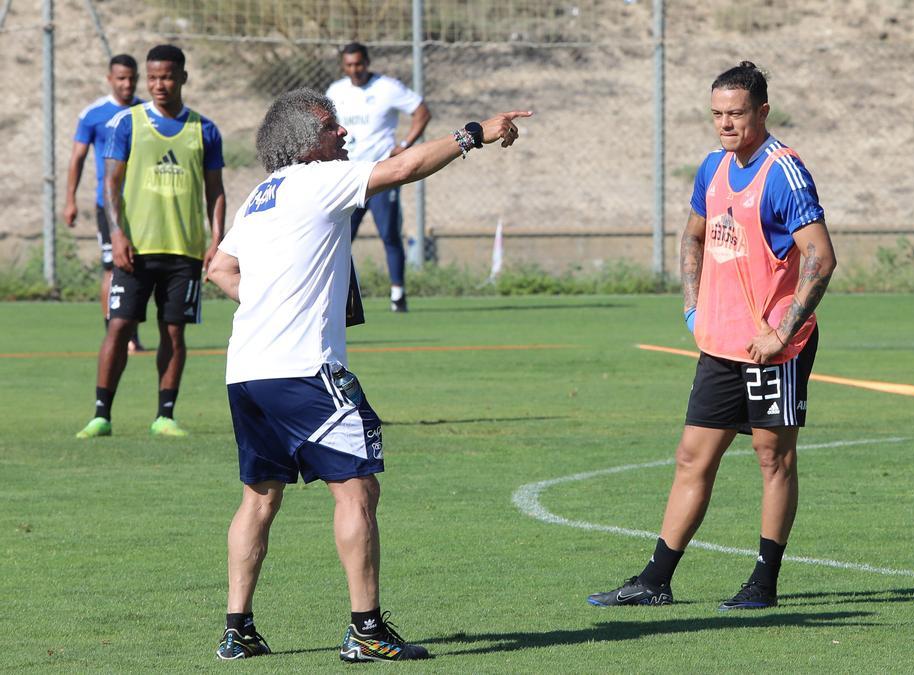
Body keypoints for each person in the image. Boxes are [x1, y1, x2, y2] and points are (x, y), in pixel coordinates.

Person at [206, 88, 529, 661]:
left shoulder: (261, 194)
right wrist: (472, 134)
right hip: (305, 369)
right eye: (334, 128)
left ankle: (237, 629)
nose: (345, 136)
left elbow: (220, 268)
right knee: (357, 489)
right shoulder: (316, 178)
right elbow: (403, 167)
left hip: (247, 371)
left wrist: (268, 300)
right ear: (306, 143)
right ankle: (366, 630)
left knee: (259, 497)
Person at [588, 62, 836, 611]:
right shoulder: (713, 167)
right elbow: (693, 236)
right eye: (717, 114)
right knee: (690, 458)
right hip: (720, 346)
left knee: (774, 461)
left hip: (776, 350)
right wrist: (691, 307)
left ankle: (764, 583)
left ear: (762, 111)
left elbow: (821, 257)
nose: (725, 124)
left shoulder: (785, 173)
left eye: (736, 114)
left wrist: (783, 332)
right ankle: (655, 580)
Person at [75, 44, 225, 439]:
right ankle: (101, 414)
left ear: (182, 78)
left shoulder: (204, 129)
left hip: (184, 250)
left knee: (173, 331)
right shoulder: (127, 123)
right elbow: (111, 184)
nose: (160, 84)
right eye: (154, 77)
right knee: (119, 325)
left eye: (168, 76)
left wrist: (217, 240)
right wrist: (118, 232)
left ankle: (165, 415)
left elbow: (216, 191)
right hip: (135, 248)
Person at [325, 42, 431, 312]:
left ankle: (398, 295)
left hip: (381, 174)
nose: (354, 70)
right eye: (349, 65)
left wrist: (404, 146)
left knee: (389, 234)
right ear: (342, 66)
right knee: (340, 237)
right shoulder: (335, 91)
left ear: (367, 62)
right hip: (348, 177)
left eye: (358, 64)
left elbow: (421, 111)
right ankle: (338, 294)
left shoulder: (387, 88)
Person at [64, 54, 145, 352]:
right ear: (110, 79)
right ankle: (114, 332)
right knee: (113, 266)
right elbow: (77, 158)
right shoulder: (93, 115)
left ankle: (132, 335)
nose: (127, 84)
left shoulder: (144, 112)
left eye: (131, 78)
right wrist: (70, 200)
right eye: (121, 78)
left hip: (140, 205)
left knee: (139, 266)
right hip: (108, 204)